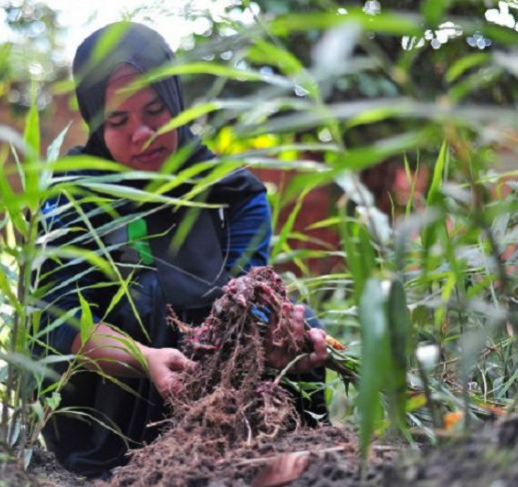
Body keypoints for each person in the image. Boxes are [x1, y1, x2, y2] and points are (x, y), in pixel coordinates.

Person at [34, 21, 329, 478]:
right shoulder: (73, 196)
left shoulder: (233, 195)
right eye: (118, 120)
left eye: (156, 110)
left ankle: (257, 446)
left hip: (223, 385)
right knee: (141, 295)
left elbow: (245, 302)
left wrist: (277, 341)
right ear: (95, 119)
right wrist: (144, 359)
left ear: (176, 101)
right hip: (118, 407)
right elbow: (59, 320)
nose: (144, 133)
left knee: (298, 322)